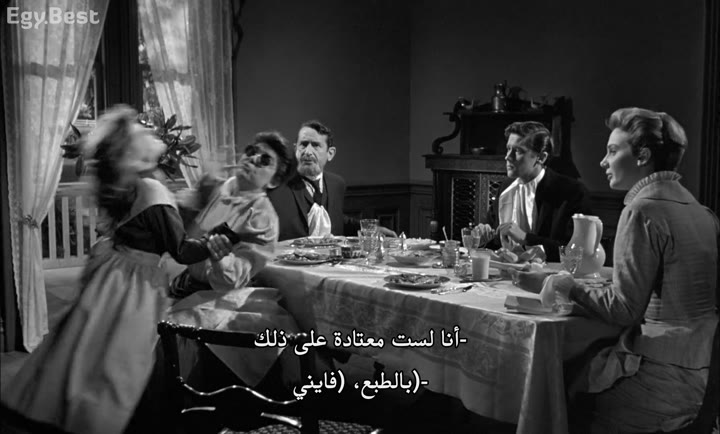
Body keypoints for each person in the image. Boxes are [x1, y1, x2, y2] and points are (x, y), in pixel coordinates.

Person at [0, 106, 233, 434]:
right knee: (123, 358)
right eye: (142, 133)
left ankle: (68, 407)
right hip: (135, 283)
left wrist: (196, 197)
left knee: (90, 344)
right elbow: (180, 249)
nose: (150, 133)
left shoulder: (133, 185)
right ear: (134, 154)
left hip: (113, 273)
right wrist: (215, 242)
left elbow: (156, 225)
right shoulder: (152, 189)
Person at [512, 108, 719, 433]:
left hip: (663, 377)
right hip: (704, 372)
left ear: (643, 156)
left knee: (553, 391)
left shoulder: (642, 210)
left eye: (612, 151)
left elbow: (624, 309)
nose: (602, 162)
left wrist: (563, 284)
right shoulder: (701, 211)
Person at [167, 131, 301, 388]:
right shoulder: (222, 188)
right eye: (251, 151)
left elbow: (233, 278)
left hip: (220, 294)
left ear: (274, 181)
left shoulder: (263, 217)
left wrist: (220, 258)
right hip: (183, 285)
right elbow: (188, 234)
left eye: (265, 160)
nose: (253, 159)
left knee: (213, 338)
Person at [475, 122, 592, 262]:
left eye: (518, 151)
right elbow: (495, 241)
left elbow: (576, 251)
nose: (508, 157)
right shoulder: (505, 187)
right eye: (508, 149)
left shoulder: (573, 192)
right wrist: (484, 236)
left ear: (541, 158)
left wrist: (526, 238)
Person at [268, 120, 397, 241]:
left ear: (330, 153)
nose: (307, 151)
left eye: (315, 145)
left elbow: (337, 220)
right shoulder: (277, 185)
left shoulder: (336, 184)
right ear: (296, 149)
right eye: (303, 144)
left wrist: (369, 230)